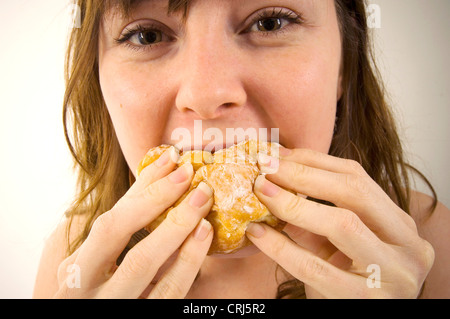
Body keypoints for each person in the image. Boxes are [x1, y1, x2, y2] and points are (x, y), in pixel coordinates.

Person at [33, 0, 449, 299]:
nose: (206, 94)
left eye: (269, 23)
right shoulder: (72, 267)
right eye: (148, 35)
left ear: (345, 64)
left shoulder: (433, 247)